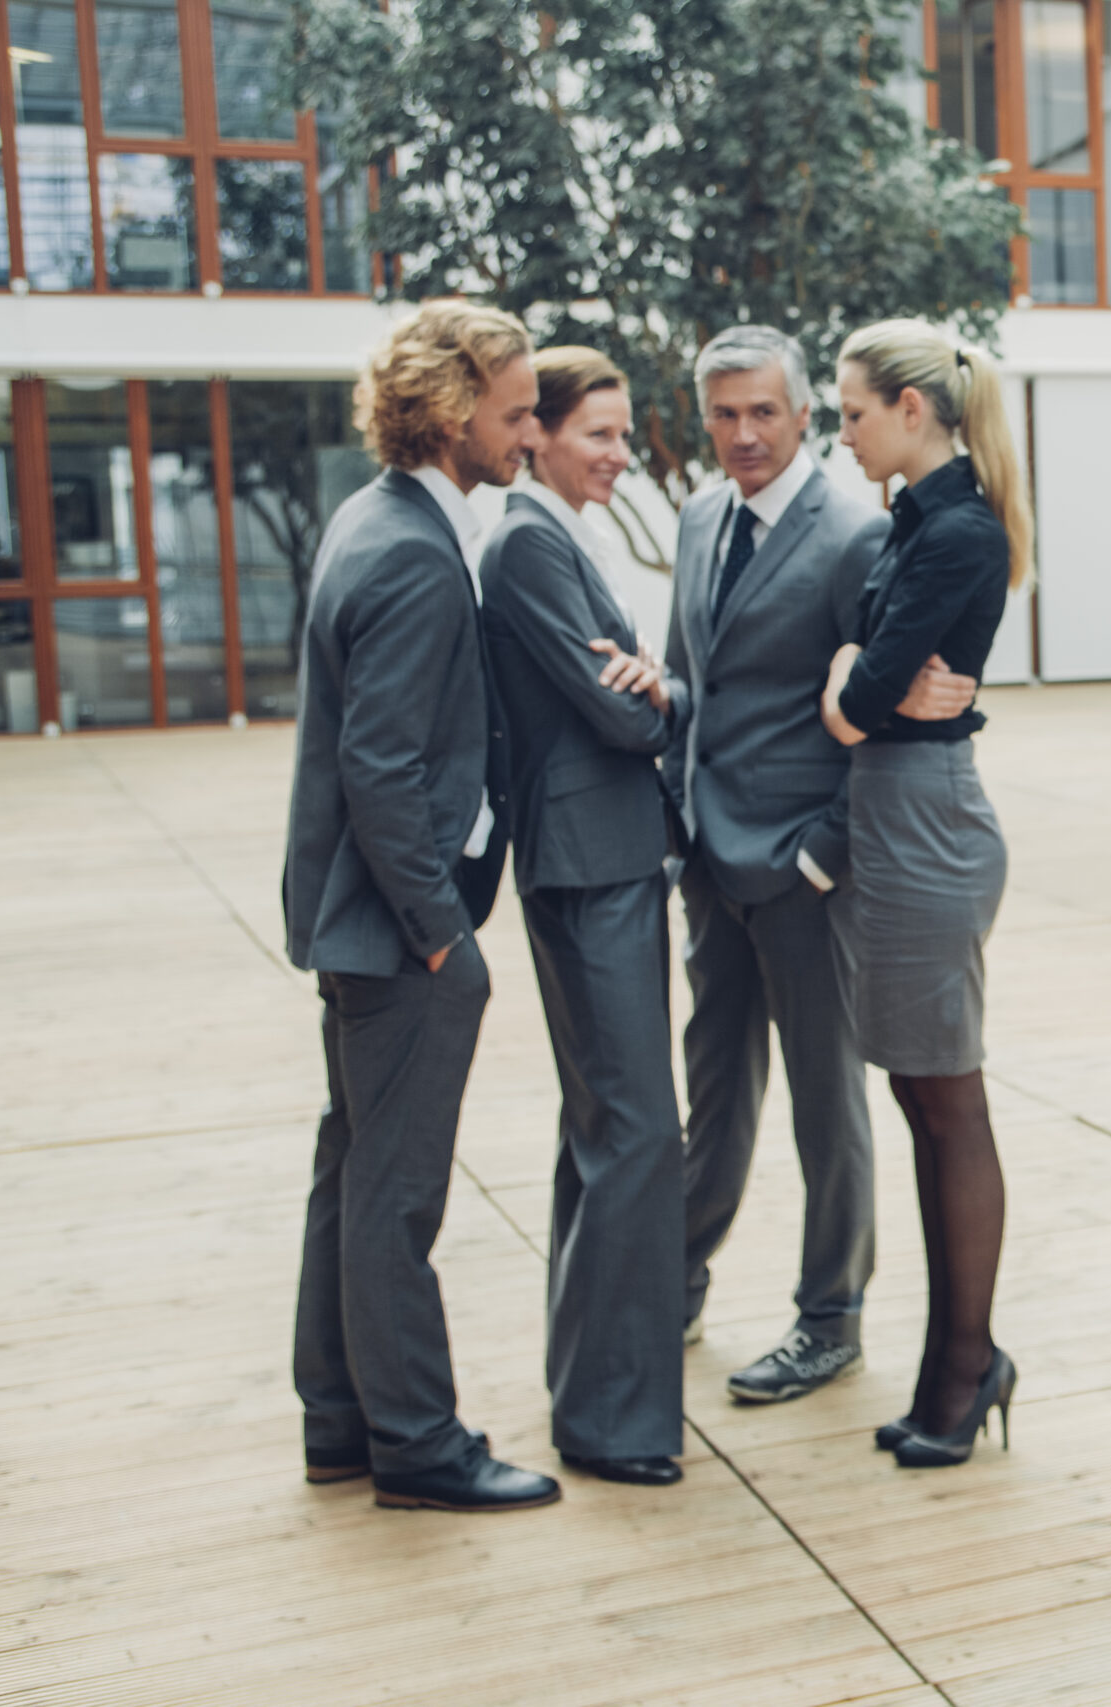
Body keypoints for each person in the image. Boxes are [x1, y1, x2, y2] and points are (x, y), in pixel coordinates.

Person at [281, 300, 560, 1514]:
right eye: (515, 409)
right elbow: (381, 768)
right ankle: (418, 1447)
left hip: (356, 925)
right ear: (451, 414)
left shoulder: (375, 515)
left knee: (350, 1177)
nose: (532, 432)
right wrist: (445, 935)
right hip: (398, 935)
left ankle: (341, 1423)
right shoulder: (407, 548)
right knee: (395, 1196)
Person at [668, 325, 978, 1404]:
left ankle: (829, 1316)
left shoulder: (857, 531)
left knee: (824, 1105)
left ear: (802, 412)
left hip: (807, 871)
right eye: (724, 413)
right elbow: (691, 684)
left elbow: (896, 713)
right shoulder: (700, 516)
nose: (744, 433)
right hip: (710, 865)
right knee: (713, 1095)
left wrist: (820, 859)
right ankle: (675, 1284)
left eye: (765, 410)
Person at [817, 319, 1030, 1468]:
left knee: (947, 1103)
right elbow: (880, 691)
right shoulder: (915, 522)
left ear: (910, 407)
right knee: (920, 1097)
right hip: (897, 814)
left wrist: (852, 677)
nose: (840, 434)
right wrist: (868, 681)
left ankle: (965, 1365)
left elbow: (863, 701)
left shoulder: (957, 530)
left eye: (850, 413)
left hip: (926, 821)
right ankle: (956, 1361)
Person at [478, 346, 687, 1486]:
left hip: (602, 856)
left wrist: (653, 687)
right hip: (587, 861)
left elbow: (632, 691)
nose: (618, 453)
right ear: (537, 433)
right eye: (598, 434)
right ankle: (612, 1421)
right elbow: (621, 721)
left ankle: (594, 1391)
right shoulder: (527, 542)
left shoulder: (554, 536)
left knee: (605, 1129)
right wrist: (661, 702)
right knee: (639, 1133)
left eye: (621, 433)